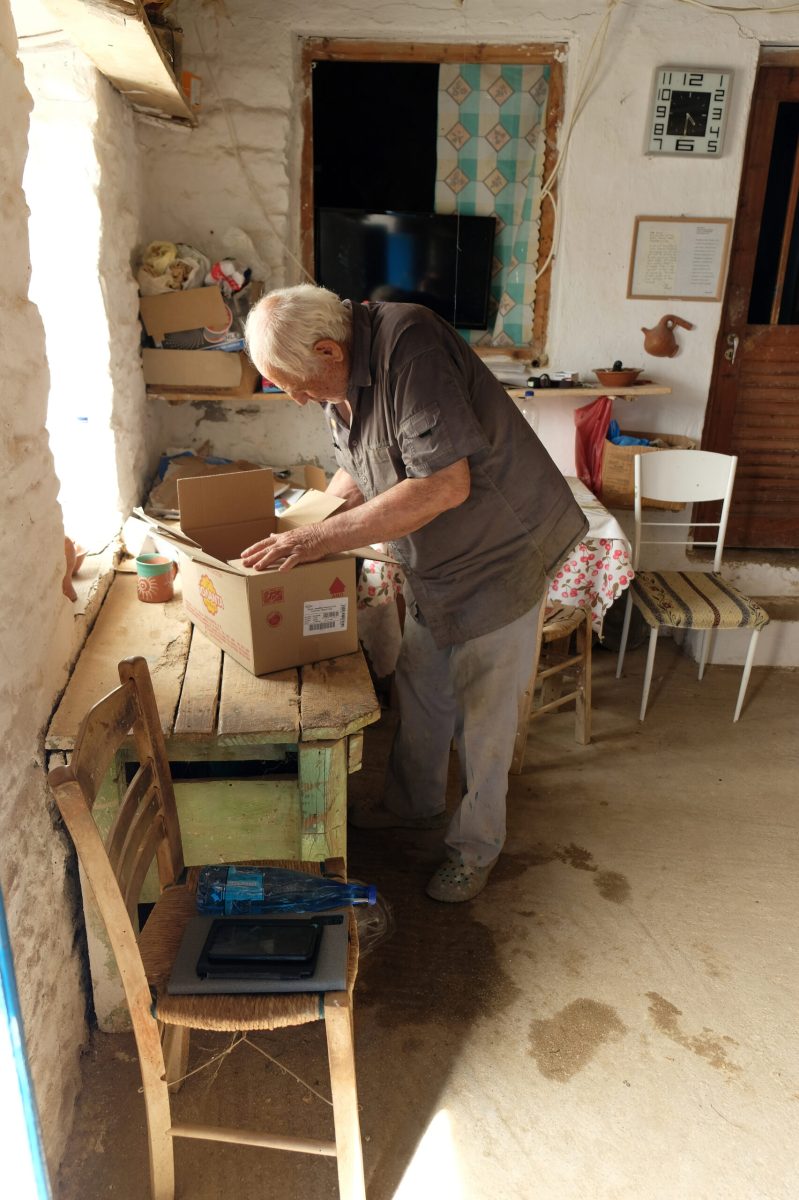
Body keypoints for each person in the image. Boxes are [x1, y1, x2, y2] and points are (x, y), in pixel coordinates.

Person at [242, 284, 588, 902]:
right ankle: (414, 805)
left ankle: (475, 848)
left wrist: (317, 540)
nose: (296, 399)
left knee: (484, 717)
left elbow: (443, 485)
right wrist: (299, 522)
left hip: (497, 553)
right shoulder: (340, 372)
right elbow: (363, 464)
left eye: (295, 385)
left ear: (328, 350)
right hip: (435, 563)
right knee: (422, 684)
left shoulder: (412, 345)